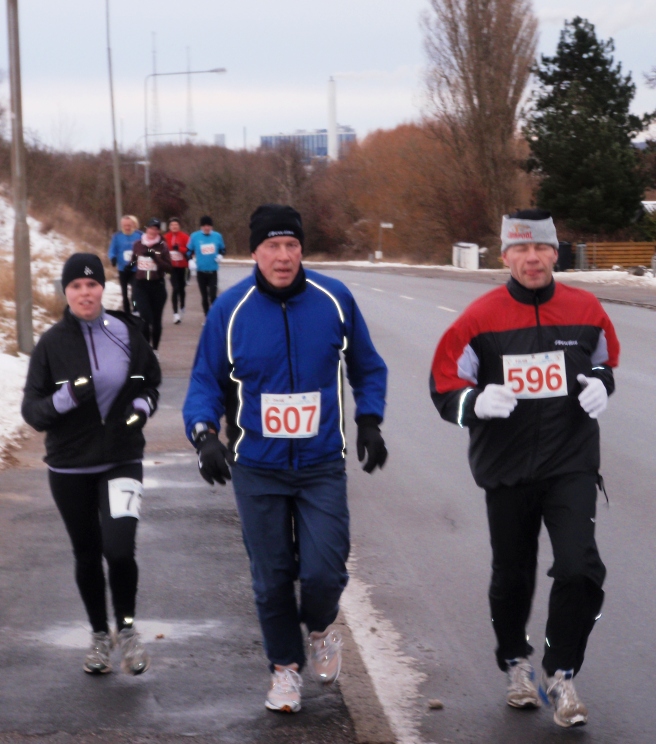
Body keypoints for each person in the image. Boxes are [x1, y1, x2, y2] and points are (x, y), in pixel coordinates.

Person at [183, 204, 388, 713]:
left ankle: (319, 628)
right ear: (253, 252)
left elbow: (368, 366)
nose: (282, 256)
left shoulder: (333, 300)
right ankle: (285, 670)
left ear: (302, 250)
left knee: (324, 570)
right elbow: (204, 382)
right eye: (271, 246)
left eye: (291, 245)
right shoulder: (230, 311)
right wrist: (205, 434)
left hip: (321, 464)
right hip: (257, 467)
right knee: (271, 577)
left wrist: (370, 420)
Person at [429, 209, 620, 728]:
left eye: (541, 249)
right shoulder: (478, 317)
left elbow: (605, 359)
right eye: (520, 249)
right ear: (505, 255)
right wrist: (473, 403)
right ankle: (515, 660)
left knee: (580, 569)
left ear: (555, 253)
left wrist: (604, 383)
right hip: (506, 467)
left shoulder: (585, 308)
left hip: (571, 462)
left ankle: (561, 672)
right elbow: (444, 383)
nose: (532, 258)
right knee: (512, 575)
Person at [21, 252, 161, 676]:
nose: (85, 293)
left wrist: (141, 406)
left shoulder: (125, 332)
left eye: (92, 285)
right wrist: (66, 398)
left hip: (121, 458)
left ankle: (129, 630)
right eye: (76, 286)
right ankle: (100, 636)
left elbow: (148, 381)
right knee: (86, 553)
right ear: (66, 292)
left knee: (119, 549)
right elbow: (32, 410)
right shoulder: (51, 345)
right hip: (69, 467)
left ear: (103, 288)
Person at [129, 218, 172, 356]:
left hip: (157, 286)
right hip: (141, 285)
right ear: (146, 229)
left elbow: (168, 268)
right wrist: (128, 266)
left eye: (155, 229)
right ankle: (146, 349)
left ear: (158, 231)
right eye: (150, 228)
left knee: (156, 320)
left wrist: (155, 258)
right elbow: (133, 262)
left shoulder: (162, 246)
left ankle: (155, 349)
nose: (152, 231)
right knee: (145, 318)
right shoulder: (138, 244)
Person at [187, 215, 226, 316]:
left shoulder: (217, 236)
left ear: (212, 226)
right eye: (204, 226)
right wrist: (190, 260)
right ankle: (207, 316)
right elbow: (188, 251)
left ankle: (215, 315)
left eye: (209, 225)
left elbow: (223, 249)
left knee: (213, 295)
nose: (207, 228)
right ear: (201, 227)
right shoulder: (195, 236)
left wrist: (220, 256)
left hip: (213, 271)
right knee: (204, 296)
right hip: (201, 271)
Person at [108, 215, 142, 314]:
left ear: (134, 225)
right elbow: (111, 250)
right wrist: (113, 258)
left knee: (135, 292)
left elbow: (144, 249)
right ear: (121, 225)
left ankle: (135, 309)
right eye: (125, 225)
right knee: (124, 293)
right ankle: (127, 312)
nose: (127, 227)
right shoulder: (117, 236)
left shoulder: (139, 235)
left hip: (135, 269)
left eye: (129, 225)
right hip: (122, 269)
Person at [164, 217, 190, 324]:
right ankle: (175, 314)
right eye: (172, 225)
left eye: (176, 225)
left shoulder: (185, 237)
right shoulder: (165, 237)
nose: (174, 227)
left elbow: (189, 251)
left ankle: (182, 305)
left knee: (181, 288)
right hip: (171, 267)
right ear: (169, 227)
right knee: (175, 288)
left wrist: (180, 249)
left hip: (183, 267)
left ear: (179, 226)